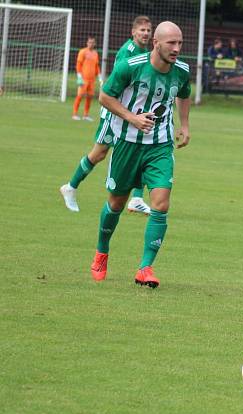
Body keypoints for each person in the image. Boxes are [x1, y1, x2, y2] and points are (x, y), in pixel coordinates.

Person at [90, 21, 191, 288]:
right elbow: (104, 96)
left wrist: (185, 125)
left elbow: (184, 94)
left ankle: (145, 268)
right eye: (171, 43)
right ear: (156, 43)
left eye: (180, 43)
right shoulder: (131, 65)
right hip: (127, 143)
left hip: (159, 146)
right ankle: (102, 252)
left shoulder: (181, 71)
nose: (177, 48)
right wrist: (132, 118)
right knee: (116, 203)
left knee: (161, 204)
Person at [60, 16, 153, 215]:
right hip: (115, 112)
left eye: (148, 30)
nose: (146, 33)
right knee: (99, 153)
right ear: (133, 32)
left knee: (142, 148)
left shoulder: (145, 52)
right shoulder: (127, 53)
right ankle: (70, 187)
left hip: (130, 112)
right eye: (142, 30)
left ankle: (136, 198)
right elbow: (118, 84)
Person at [72, 37, 100, 121]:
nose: (91, 44)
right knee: (80, 95)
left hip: (92, 80)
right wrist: (79, 76)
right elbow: (79, 64)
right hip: (84, 79)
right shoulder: (83, 52)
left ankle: (86, 115)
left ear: (94, 44)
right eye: (89, 42)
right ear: (87, 43)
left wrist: (99, 76)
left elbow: (96, 66)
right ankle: (74, 114)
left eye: (92, 43)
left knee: (90, 96)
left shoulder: (95, 53)